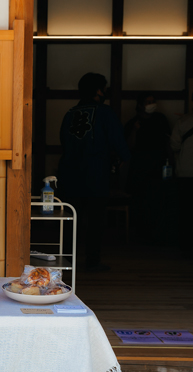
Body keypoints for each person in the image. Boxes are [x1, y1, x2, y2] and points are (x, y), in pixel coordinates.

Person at [57, 72, 131, 272]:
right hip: (96, 173)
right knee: (96, 219)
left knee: (70, 219)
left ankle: (66, 261)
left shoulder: (70, 114)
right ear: (98, 90)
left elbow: (64, 142)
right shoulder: (105, 112)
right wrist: (124, 158)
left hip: (70, 173)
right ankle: (92, 260)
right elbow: (118, 140)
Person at [124, 92, 172, 242]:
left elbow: (168, 141)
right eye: (148, 102)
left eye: (153, 101)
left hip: (158, 166)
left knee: (158, 200)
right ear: (140, 105)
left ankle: (157, 233)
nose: (152, 104)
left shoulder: (160, 119)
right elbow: (128, 146)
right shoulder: (133, 123)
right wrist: (135, 130)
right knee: (139, 200)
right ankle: (139, 234)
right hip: (139, 167)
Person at [170, 85, 193, 259]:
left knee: (185, 212)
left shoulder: (183, 122)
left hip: (185, 172)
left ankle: (185, 246)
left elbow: (174, 145)